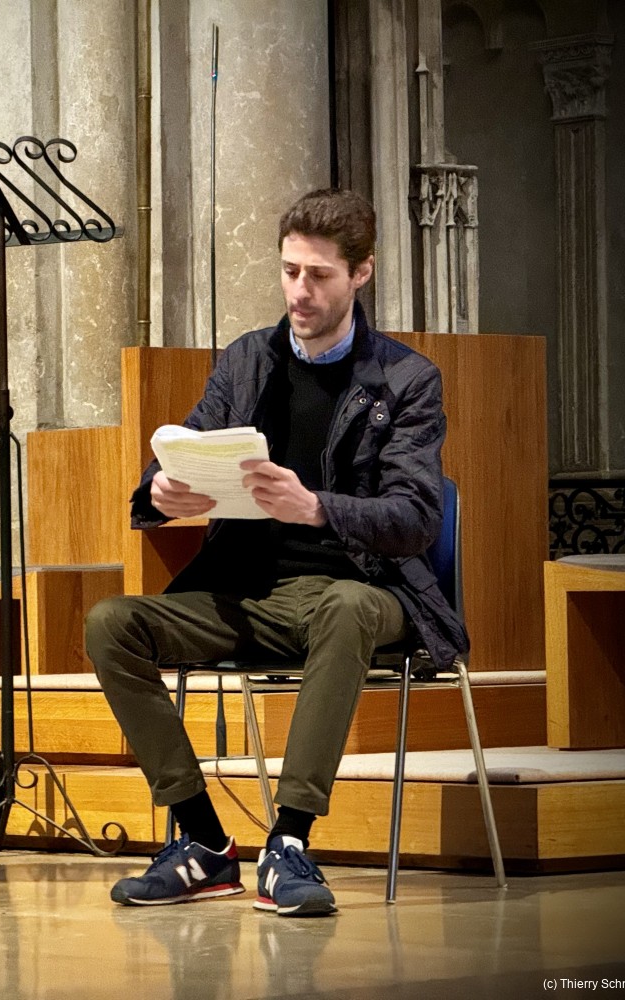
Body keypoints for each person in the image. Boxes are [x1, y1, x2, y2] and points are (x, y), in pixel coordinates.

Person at [85, 188, 467, 916]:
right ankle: (204, 843)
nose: (299, 291)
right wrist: (162, 491)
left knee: (346, 607)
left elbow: (417, 518)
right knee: (111, 622)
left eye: (318, 275)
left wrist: (316, 507)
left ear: (360, 273)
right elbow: (185, 447)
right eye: (290, 271)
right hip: (247, 593)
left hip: (360, 589)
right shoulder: (246, 361)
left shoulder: (405, 379)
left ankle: (289, 842)